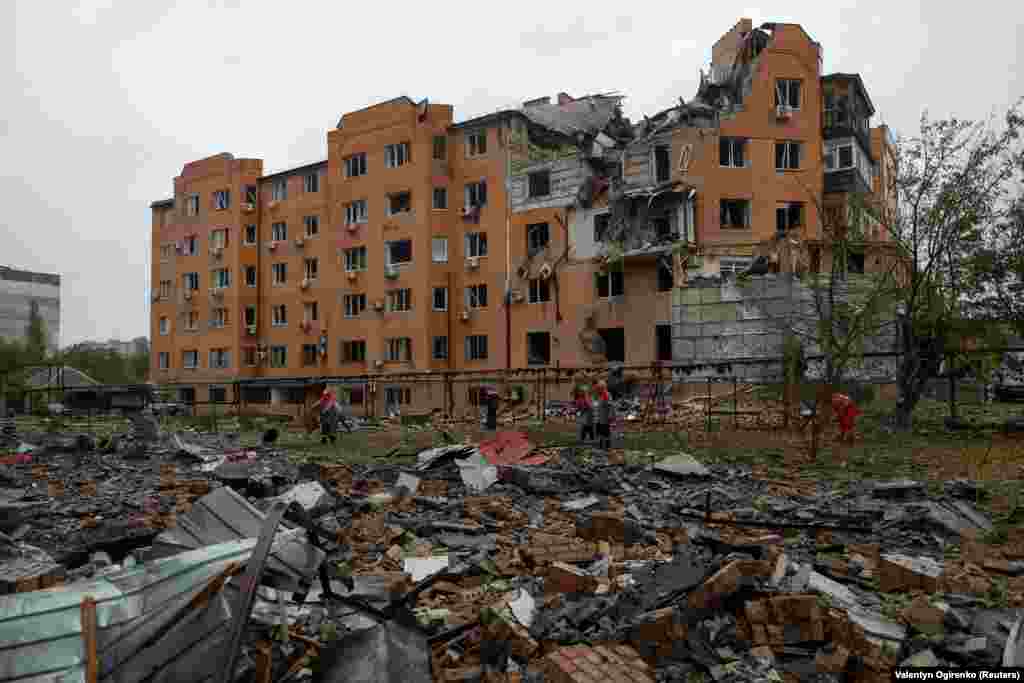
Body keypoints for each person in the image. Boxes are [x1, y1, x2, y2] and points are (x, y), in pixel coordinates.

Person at [594, 380, 615, 450]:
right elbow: (596, 404)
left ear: (603, 388)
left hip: (604, 417)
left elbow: (610, 406)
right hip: (598, 417)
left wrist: (610, 415)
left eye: (599, 388)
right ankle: (600, 446)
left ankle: (607, 446)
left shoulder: (606, 395)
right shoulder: (598, 395)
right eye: (597, 388)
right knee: (599, 433)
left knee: (606, 433)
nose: (597, 389)